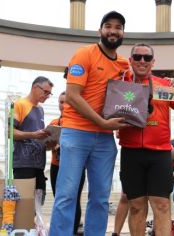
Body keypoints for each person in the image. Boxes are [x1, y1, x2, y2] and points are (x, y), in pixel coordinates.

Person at [49, 11, 130, 236]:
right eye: (108, 26)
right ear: (100, 31)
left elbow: (134, 94)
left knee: (101, 197)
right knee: (66, 194)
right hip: (76, 133)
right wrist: (103, 123)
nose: (113, 31)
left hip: (104, 140)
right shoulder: (84, 54)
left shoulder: (124, 64)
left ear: (123, 33)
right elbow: (73, 96)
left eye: (118, 27)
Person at [118, 43, 174, 236]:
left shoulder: (165, 85)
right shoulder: (120, 83)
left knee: (161, 204)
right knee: (136, 205)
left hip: (160, 152)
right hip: (131, 151)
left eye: (146, 57)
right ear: (130, 60)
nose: (141, 61)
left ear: (153, 62)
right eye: (137, 57)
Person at [11, 76, 54, 204]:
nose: (47, 96)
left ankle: (35, 225)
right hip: (23, 164)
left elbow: (38, 138)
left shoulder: (40, 110)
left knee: (38, 205)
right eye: (45, 92)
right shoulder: (19, 104)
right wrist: (34, 135)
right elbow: (10, 132)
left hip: (39, 165)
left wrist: (49, 144)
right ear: (35, 87)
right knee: (24, 206)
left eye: (49, 94)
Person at [48, 91, 86, 235]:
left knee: (74, 199)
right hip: (56, 166)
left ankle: (73, 231)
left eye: (66, 102)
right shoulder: (53, 123)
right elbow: (46, 146)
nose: (63, 105)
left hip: (76, 167)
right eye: (60, 102)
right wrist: (51, 145)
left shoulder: (79, 123)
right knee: (60, 198)